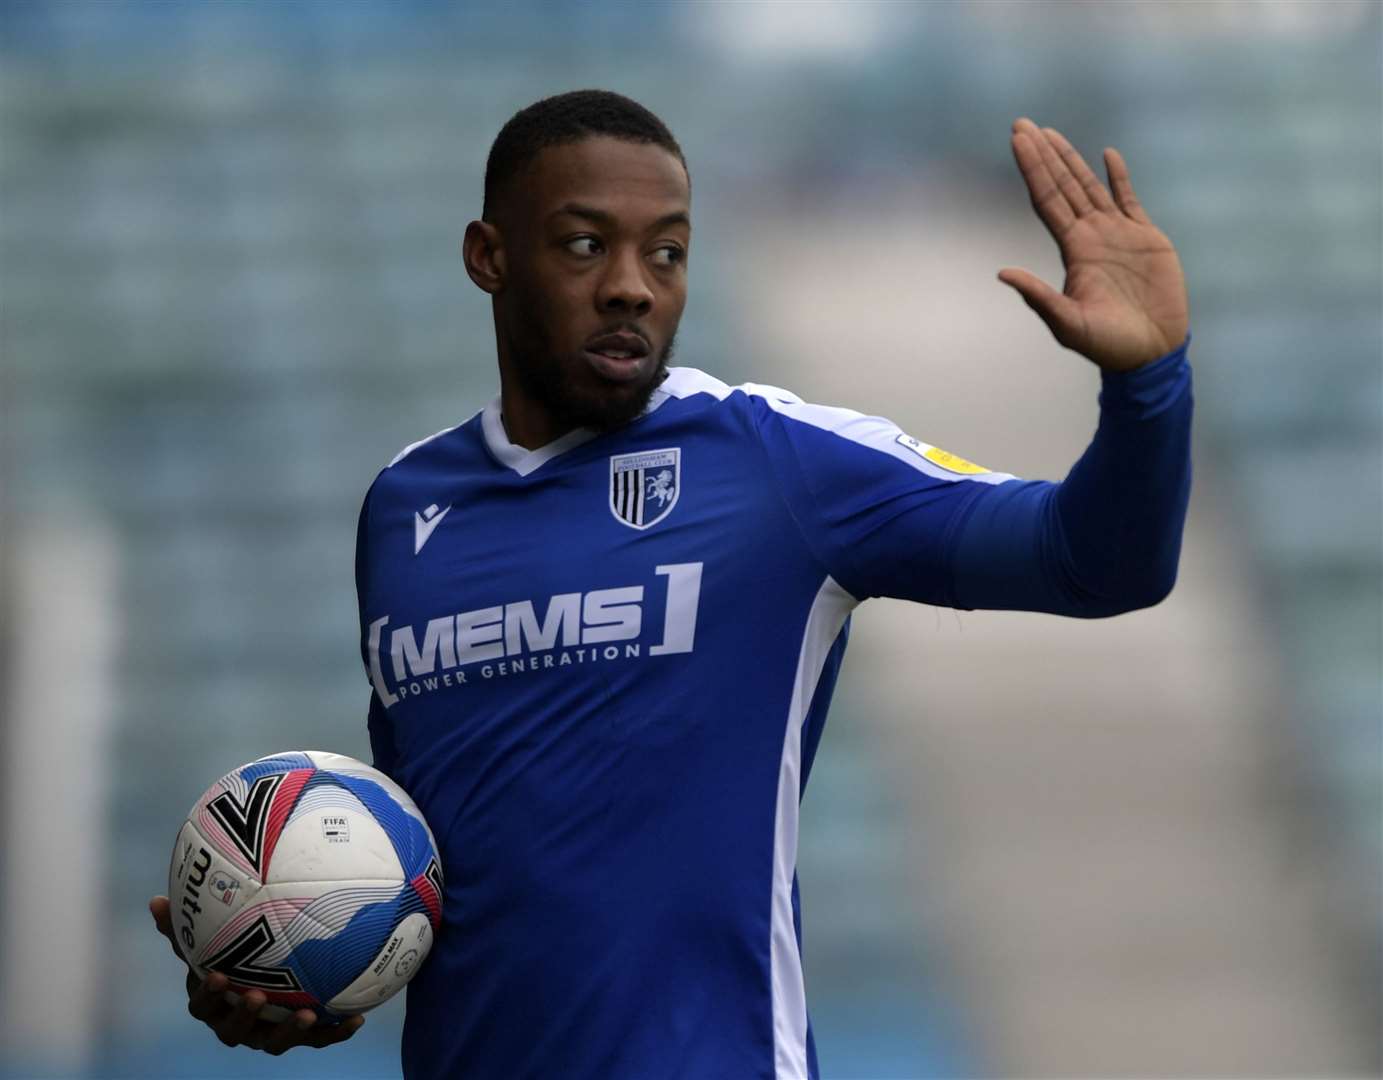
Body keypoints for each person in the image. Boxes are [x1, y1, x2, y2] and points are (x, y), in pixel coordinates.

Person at [152, 89, 1191, 1078]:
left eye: (669, 252)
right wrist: (298, 980)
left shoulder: (777, 462)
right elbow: (430, 865)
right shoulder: (403, 506)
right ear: (489, 257)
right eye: (585, 243)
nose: (632, 285)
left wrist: (1148, 384)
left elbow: (1095, 561)